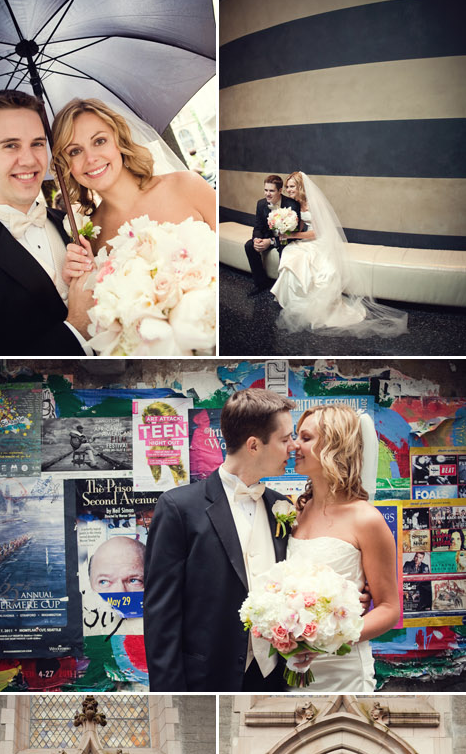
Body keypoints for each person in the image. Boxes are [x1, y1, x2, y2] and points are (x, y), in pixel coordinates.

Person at [144, 389, 295, 692]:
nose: (293, 447)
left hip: (273, 678)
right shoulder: (179, 508)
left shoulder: (282, 507)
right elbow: (161, 616)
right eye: (285, 439)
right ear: (254, 445)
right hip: (207, 678)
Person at [284, 406, 401, 692]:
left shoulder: (366, 519)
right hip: (292, 664)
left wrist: (330, 640)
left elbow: (389, 608)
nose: (294, 446)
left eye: (306, 438)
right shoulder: (295, 511)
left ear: (334, 446)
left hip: (343, 671)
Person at [0, 91, 92, 352]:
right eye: (11, 145)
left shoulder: (72, 224)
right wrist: (76, 327)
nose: (29, 160)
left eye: (37, 143)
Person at [51, 99, 216, 283]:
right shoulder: (91, 239)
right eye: (75, 151)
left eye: (99, 141)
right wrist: (86, 278)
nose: (90, 158)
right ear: (66, 164)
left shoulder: (186, 186)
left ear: (118, 140)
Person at [270, 167, 408, 337]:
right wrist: (284, 226)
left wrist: (292, 234)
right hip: (306, 239)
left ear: (301, 187)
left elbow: (317, 232)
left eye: (293, 186)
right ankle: (296, 301)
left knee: (304, 258)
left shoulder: (313, 203)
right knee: (291, 253)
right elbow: (300, 226)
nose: (289, 190)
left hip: (319, 241)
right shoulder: (295, 204)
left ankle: (312, 305)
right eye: (288, 187)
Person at [244, 175, 288, 297]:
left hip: (286, 239)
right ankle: (261, 283)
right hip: (267, 236)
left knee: (285, 250)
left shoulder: (290, 204)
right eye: (266, 190)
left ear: (280, 191)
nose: (267, 194)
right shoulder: (261, 204)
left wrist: (272, 241)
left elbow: (292, 232)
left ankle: (281, 289)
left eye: (271, 191)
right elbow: (258, 227)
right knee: (249, 245)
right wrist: (257, 239)